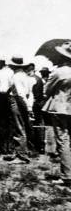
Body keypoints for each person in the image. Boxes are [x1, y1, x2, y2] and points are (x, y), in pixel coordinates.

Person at [43, 42, 71, 187]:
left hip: (60, 108)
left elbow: (47, 90)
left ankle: (67, 176)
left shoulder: (59, 72)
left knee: (63, 141)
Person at [7, 55, 32, 162]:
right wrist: (29, 106)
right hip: (23, 101)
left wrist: (27, 107)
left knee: (18, 127)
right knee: (21, 126)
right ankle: (19, 152)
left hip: (17, 101)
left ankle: (21, 155)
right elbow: (29, 93)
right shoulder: (26, 76)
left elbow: (20, 93)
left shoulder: (16, 76)